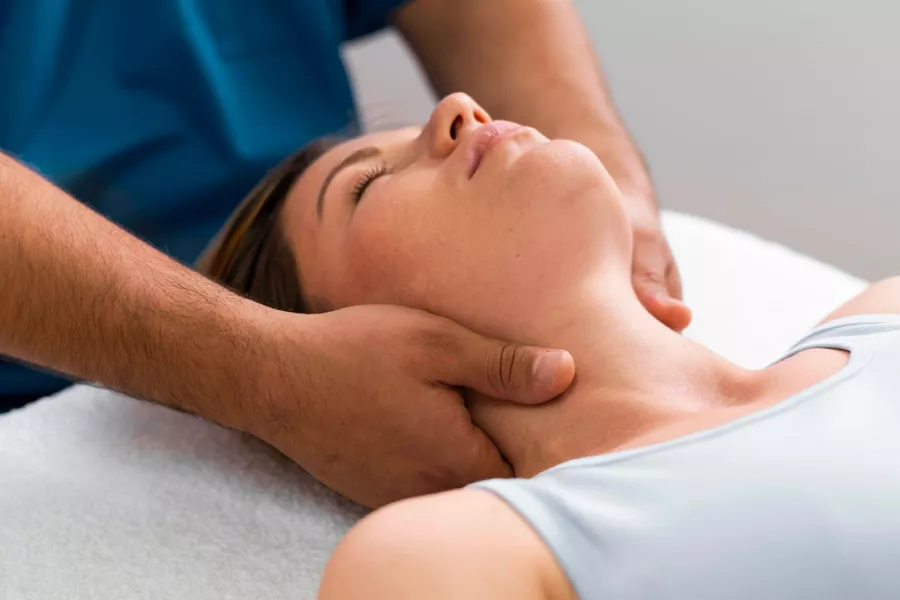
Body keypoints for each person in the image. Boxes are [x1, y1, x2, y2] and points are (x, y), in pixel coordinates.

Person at [200, 93, 900, 599]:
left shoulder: (885, 314)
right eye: (369, 184)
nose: (459, 108)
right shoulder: (452, 556)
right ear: (350, 363)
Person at [0, 1, 681, 506]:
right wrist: (265, 371)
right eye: (369, 183)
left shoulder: (792, 373)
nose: (462, 109)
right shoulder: (468, 554)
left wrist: (615, 179)